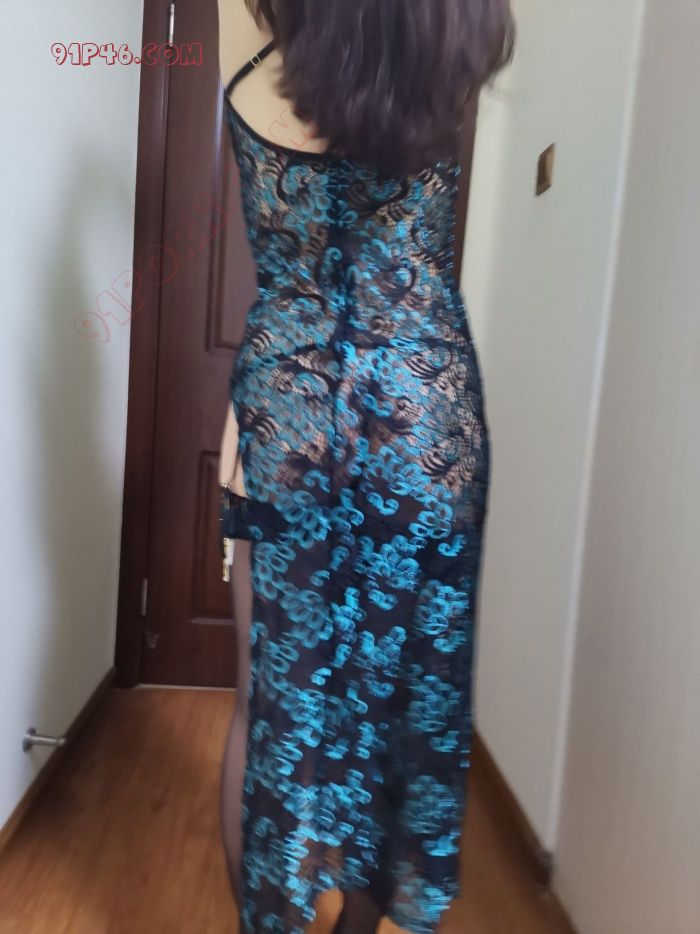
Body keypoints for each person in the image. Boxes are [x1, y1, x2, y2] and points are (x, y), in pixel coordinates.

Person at [216, 2, 514, 932]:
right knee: (403, 717)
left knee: (269, 707)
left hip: (292, 417)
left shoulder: (248, 24)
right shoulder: (454, 27)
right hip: (423, 421)